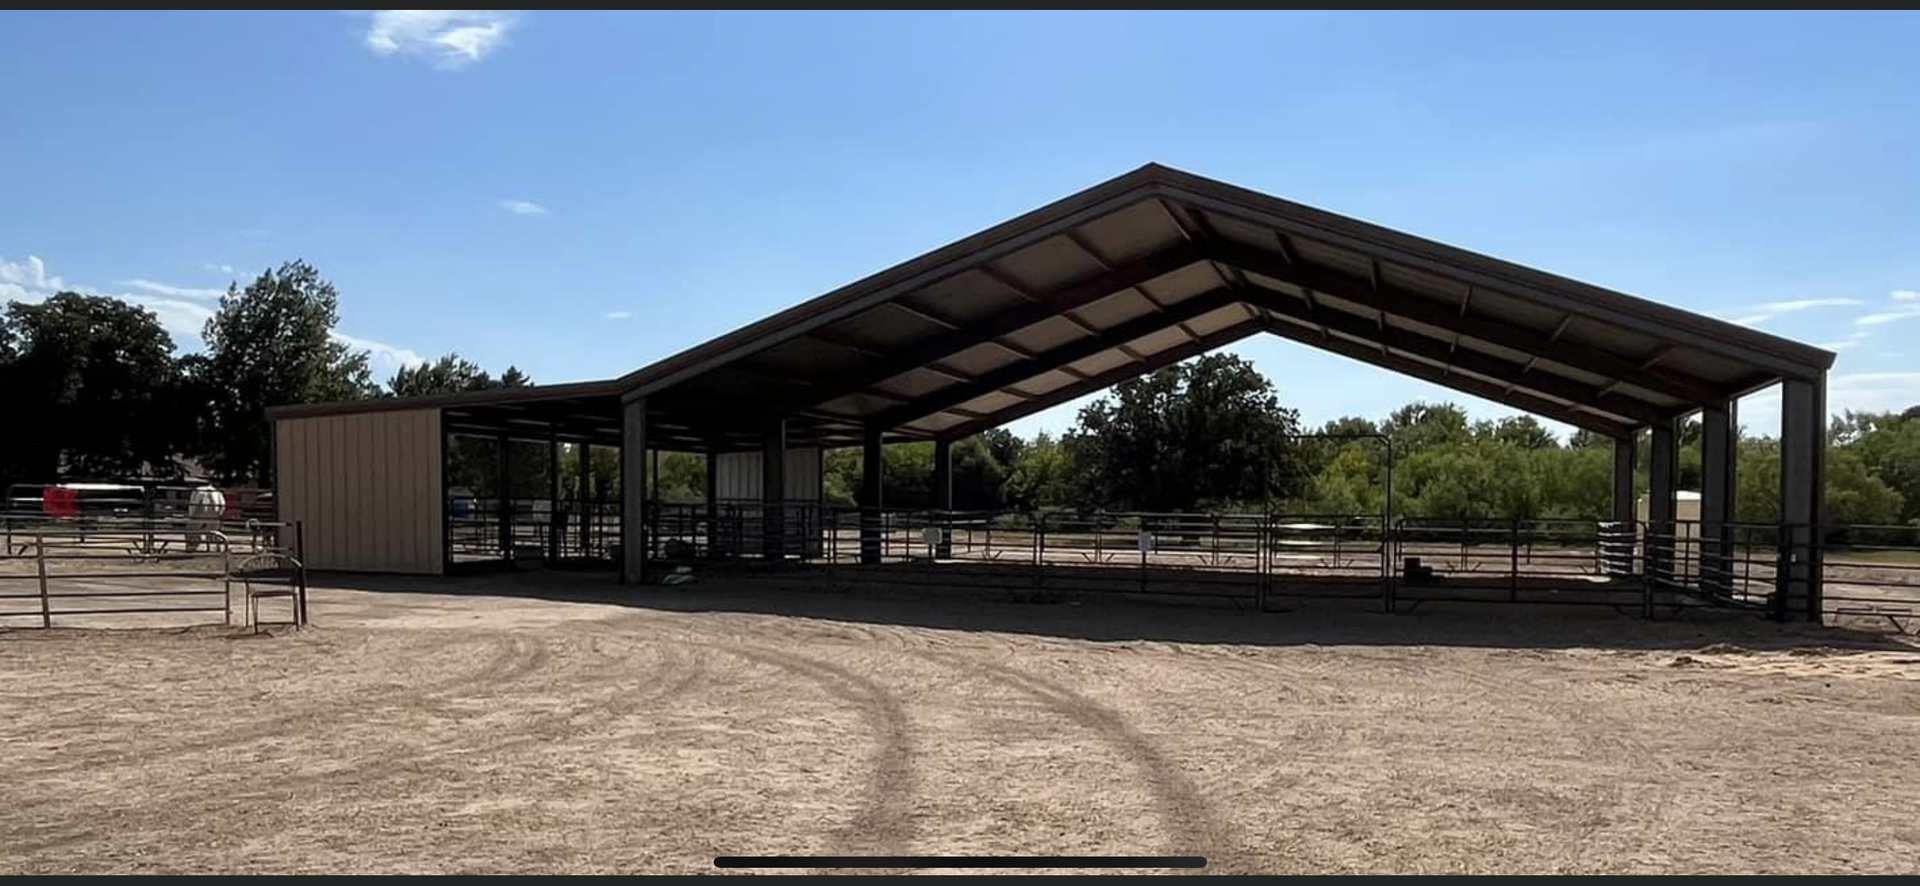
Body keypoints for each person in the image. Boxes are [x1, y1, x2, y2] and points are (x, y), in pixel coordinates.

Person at [185, 482, 226, 552]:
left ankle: (192, 545)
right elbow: (222, 504)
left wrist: (191, 514)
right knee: (212, 528)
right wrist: (220, 513)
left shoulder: (199, 490)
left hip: (200, 506)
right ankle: (215, 546)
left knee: (193, 528)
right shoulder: (217, 492)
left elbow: (193, 504)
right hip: (214, 509)